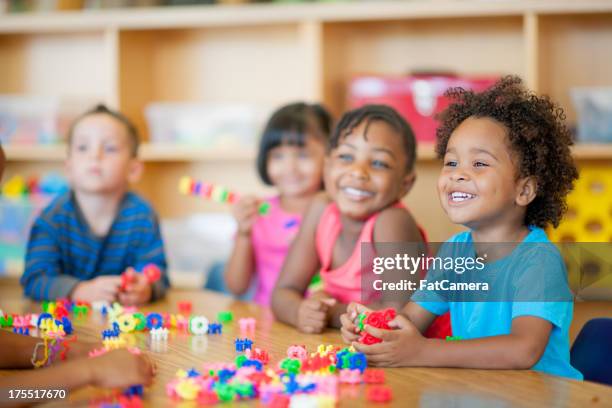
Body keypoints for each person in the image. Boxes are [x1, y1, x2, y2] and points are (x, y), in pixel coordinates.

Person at [341, 77, 582, 380]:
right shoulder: (455, 251)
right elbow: (412, 320)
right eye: (451, 163)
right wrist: (373, 327)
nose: (458, 175)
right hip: (480, 391)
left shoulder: (538, 261)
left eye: (479, 164)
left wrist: (422, 352)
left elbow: (523, 349)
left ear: (524, 190)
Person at [272, 105, 433, 334]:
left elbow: (399, 315)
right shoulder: (320, 209)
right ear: (327, 167)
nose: (358, 172)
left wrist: (329, 312)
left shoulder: (392, 221)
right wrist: (300, 311)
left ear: (405, 183)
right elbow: (283, 292)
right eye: (346, 157)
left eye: (378, 163)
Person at [20, 104, 169, 305]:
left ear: (133, 169)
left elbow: (158, 274)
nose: (95, 156)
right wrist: (79, 291)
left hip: (123, 327)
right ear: (68, 167)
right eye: (83, 148)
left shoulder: (142, 215)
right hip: (64, 327)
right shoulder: (52, 218)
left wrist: (146, 287)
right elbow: (34, 279)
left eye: (109, 148)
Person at [224, 102, 332, 306]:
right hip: (267, 324)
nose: (290, 167)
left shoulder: (334, 213)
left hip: (317, 321)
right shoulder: (259, 212)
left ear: (328, 157)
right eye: (278, 156)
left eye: (302, 155)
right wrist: (243, 233)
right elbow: (236, 287)